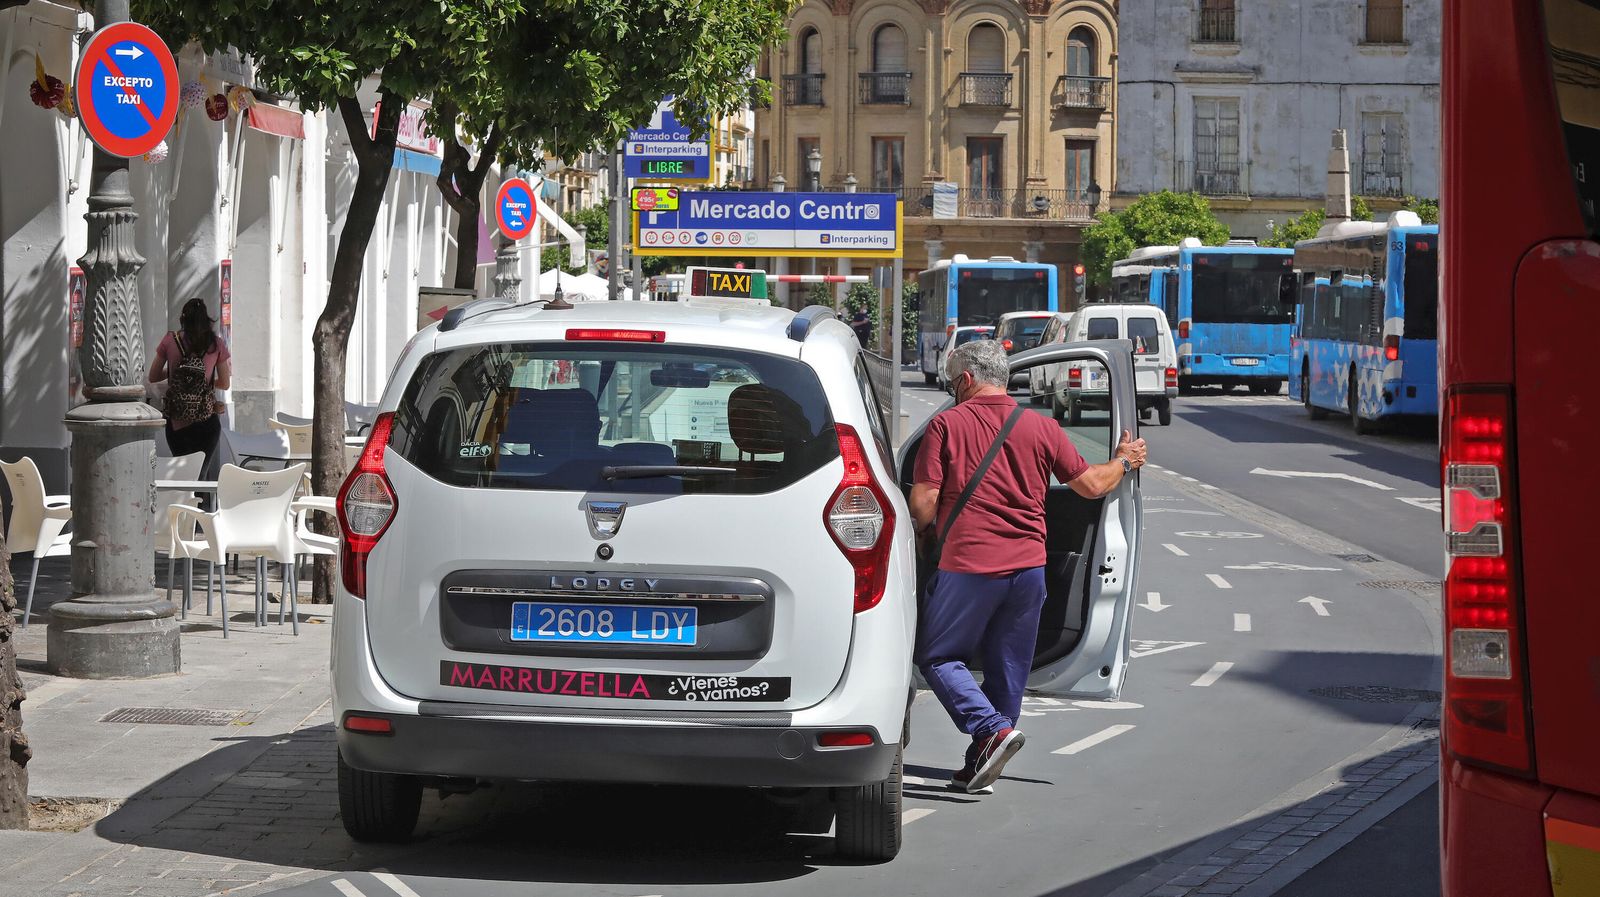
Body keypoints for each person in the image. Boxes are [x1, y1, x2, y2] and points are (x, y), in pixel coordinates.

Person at [911, 339, 1146, 795]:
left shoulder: (946, 425)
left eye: (951, 381)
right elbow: (1092, 486)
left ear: (965, 379)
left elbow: (923, 502)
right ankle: (981, 759)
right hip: (1030, 569)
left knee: (938, 656)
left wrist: (925, 543)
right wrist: (1124, 460)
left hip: (971, 565)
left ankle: (989, 729)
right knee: (1008, 667)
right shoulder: (1042, 427)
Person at [149, 297, 231, 471]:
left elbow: (153, 376)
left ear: (183, 319)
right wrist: (202, 379)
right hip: (206, 418)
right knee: (201, 476)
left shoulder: (170, 340)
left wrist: (176, 372)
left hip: (177, 419)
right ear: (206, 319)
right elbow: (224, 383)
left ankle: (184, 499)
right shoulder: (216, 344)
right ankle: (202, 499)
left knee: (182, 476)